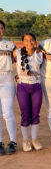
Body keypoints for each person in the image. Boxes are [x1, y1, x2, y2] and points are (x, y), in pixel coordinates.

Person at [14, 33, 43, 152]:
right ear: (22, 42)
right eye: (26, 40)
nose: (29, 42)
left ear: (35, 41)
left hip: (36, 86)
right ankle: (26, 140)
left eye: (31, 40)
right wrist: (16, 76)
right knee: (25, 114)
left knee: (35, 114)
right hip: (23, 87)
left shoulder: (40, 54)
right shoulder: (17, 53)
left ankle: (34, 140)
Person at [0, 20, 17, 155]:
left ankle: (12, 141)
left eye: (1, 28)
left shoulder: (10, 45)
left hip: (6, 78)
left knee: (8, 113)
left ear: (4, 30)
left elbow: (21, 59)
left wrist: (20, 75)